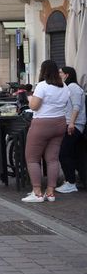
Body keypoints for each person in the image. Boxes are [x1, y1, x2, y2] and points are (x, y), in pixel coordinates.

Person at [21, 60, 70, 202]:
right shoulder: (64, 86)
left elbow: (34, 106)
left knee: (32, 158)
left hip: (42, 124)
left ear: (43, 71)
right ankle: (50, 192)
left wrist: (29, 97)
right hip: (60, 123)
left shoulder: (42, 86)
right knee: (53, 159)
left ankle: (37, 193)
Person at [56, 66, 87, 194]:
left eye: (60, 73)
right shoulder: (69, 88)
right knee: (77, 154)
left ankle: (70, 182)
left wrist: (72, 123)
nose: (59, 75)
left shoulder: (73, 88)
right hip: (74, 125)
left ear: (67, 75)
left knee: (64, 153)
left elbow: (76, 106)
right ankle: (76, 180)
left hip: (75, 125)